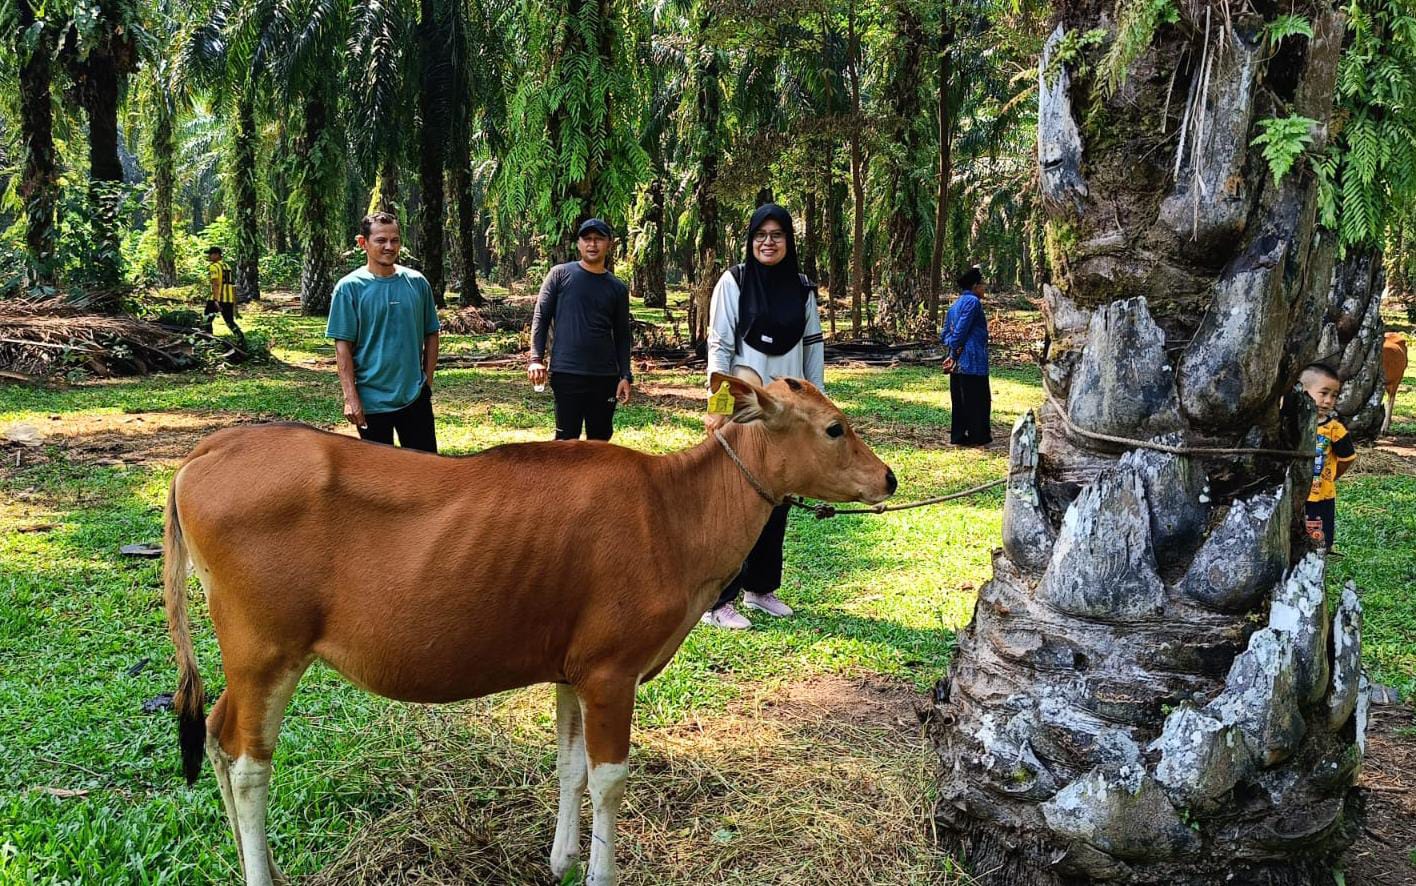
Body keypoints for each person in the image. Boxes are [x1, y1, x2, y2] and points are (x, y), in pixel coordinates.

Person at [700, 203, 824, 630]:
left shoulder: (804, 289)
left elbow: (813, 351)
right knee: (735, 502)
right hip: (744, 408)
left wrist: (816, 407)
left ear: (789, 242)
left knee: (780, 498)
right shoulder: (733, 283)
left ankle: (761, 589)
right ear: (750, 239)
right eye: (760, 234)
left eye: (777, 235)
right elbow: (719, 348)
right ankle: (718, 601)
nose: (767, 242)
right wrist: (717, 409)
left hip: (787, 415)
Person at [326, 211, 441, 453]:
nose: (389, 246)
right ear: (363, 243)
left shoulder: (417, 283)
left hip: (414, 397)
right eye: (381, 240)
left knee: (426, 472)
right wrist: (351, 398)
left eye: (395, 240)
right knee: (379, 481)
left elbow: (432, 333)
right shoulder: (349, 288)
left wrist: (426, 382)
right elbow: (343, 346)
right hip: (371, 402)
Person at [527, 218, 634, 441]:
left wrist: (625, 375)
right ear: (578, 244)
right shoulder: (559, 275)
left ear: (609, 244)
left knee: (600, 442)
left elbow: (623, 335)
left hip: (605, 377)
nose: (592, 245)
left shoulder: (617, 288)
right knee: (566, 442)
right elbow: (541, 317)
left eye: (598, 239)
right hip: (567, 374)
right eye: (587, 239)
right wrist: (536, 359)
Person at [1300, 363, 1357, 553]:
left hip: (1322, 493)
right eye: (1323, 393)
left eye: (1334, 395)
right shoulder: (1292, 423)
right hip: (1296, 492)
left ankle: (1321, 552)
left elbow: (1347, 458)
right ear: (1303, 391)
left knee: (1321, 536)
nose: (1328, 400)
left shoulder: (1335, 430)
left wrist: (1331, 477)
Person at [940, 267, 991, 446]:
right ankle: (977, 437)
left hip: (958, 360)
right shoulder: (972, 302)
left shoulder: (954, 305)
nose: (984, 288)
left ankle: (959, 435)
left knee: (959, 400)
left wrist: (952, 352)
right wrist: (956, 348)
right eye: (983, 284)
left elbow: (944, 334)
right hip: (973, 359)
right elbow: (961, 330)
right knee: (977, 398)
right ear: (975, 286)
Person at [204, 246, 245, 345]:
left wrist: (216, 300)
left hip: (217, 298)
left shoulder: (214, 266)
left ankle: (208, 341)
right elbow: (231, 284)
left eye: (211, 254)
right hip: (228, 298)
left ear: (217, 255)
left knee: (207, 320)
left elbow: (216, 283)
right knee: (230, 321)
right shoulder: (227, 266)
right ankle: (241, 339)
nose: (209, 256)